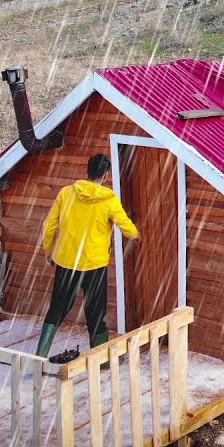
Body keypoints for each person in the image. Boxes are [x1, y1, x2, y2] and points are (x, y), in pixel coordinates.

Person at [36, 153, 140, 357]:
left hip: (67, 262)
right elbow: (125, 226)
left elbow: (49, 225)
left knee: (56, 309)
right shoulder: (109, 200)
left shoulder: (66, 193)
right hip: (94, 265)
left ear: (88, 170)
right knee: (95, 313)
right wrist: (136, 234)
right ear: (106, 175)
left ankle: (39, 355)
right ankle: (100, 360)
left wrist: (48, 250)